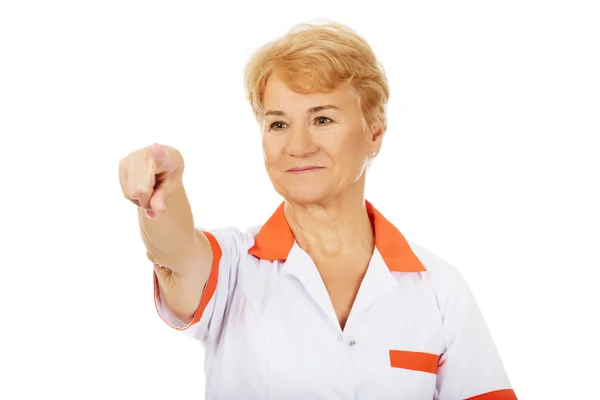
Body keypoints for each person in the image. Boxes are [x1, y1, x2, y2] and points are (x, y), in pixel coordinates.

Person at [118, 21, 517, 400]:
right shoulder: (234, 267)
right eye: (278, 124)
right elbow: (173, 254)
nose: (299, 145)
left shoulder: (438, 289)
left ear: (374, 132)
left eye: (322, 118)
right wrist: (161, 195)